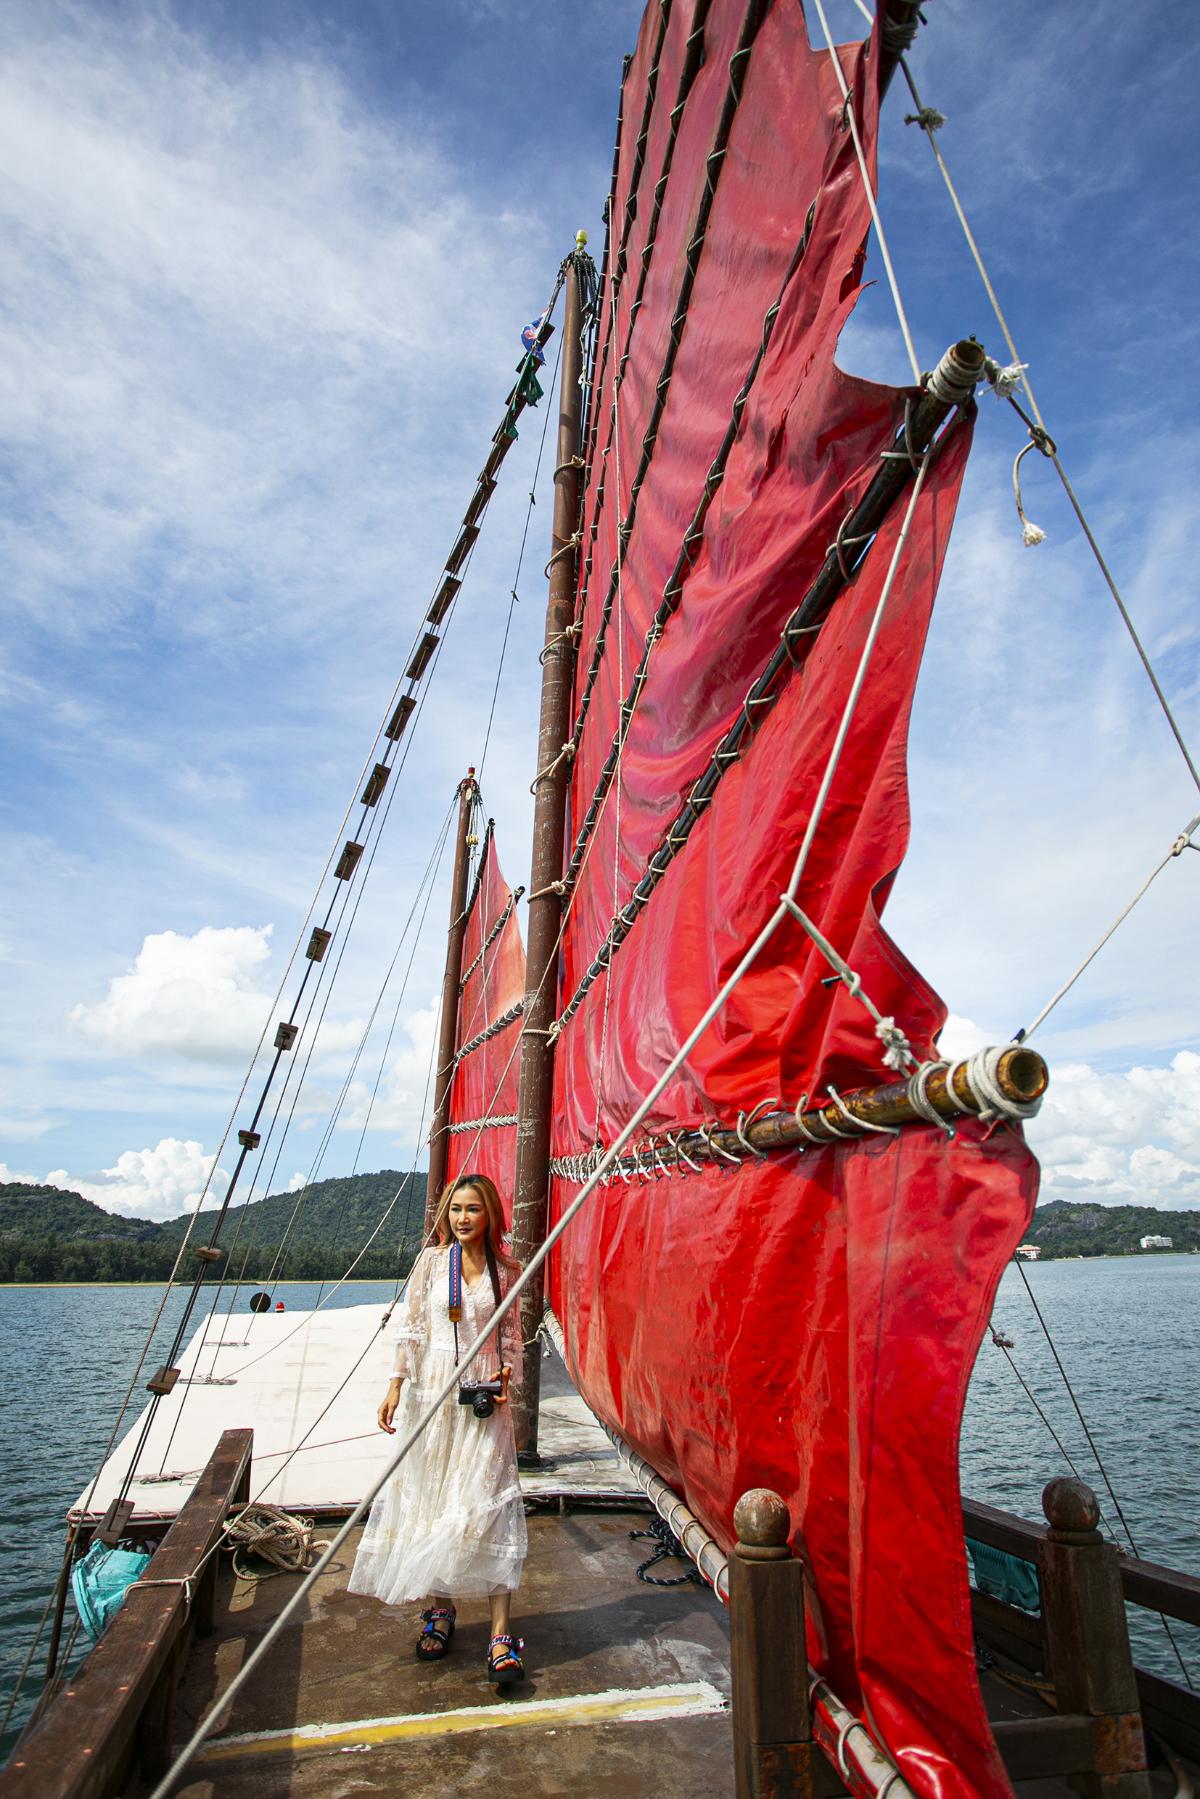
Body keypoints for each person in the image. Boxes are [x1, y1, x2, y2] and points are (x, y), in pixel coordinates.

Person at [348, 1172, 528, 1684]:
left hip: (482, 1400)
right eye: (455, 1210)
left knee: (488, 1505)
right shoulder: (431, 1265)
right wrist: (395, 1385)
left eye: (473, 1209)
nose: (463, 1218)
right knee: (431, 1500)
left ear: (490, 1213)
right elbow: (413, 1330)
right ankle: (441, 1608)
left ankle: (499, 1635)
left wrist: (507, 1374)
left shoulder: (506, 1269)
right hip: (433, 1393)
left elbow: (511, 1335)